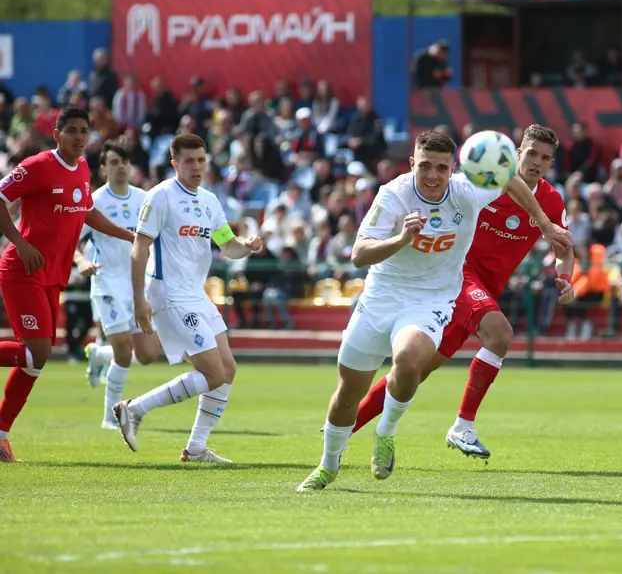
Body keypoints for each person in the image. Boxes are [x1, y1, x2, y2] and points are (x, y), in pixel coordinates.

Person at [297, 130, 573, 491]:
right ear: (412, 163)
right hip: (396, 293)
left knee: (412, 363)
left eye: (441, 168)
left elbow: (515, 189)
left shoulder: (478, 191)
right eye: (425, 166)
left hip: (435, 297)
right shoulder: (395, 194)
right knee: (351, 390)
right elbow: (359, 254)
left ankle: (392, 432)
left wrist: (547, 232)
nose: (432, 175)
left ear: (453, 169)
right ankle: (331, 460)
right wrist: (401, 239)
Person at [111, 134, 264, 463]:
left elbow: (227, 246)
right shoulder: (160, 197)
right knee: (214, 374)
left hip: (195, 294)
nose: (197, 167)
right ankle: (133, 409)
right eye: (190, 161)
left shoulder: (209, 201)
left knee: (228, 369)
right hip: (168, 293)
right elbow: (139, 249)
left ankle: (196, 448)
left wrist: (246, 244)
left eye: (201, 160)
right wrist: (139, 300)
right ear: (175, 164)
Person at [0, 106, 135, 462]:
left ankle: (0, 435)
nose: (78, 136)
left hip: (53, 275)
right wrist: (21, 243)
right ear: (57, 134)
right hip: (22, 269)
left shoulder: (85, 168)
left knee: (33, 362)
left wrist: (126, 235)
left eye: (84, 130)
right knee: (37, 353)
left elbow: (86, 210)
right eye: (71, 130)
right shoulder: (37, 166)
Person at [79, 138, 162, 428]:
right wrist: (82, 263)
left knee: (150, 354)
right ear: (103, 169)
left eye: (125, 161)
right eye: (114, 162)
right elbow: (74, 242)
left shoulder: (144, 199)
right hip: (107, 282)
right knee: (125, 352)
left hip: (137, 285)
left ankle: (100, 354)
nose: (121, 167)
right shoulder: (95, 202)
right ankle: (109, 417)